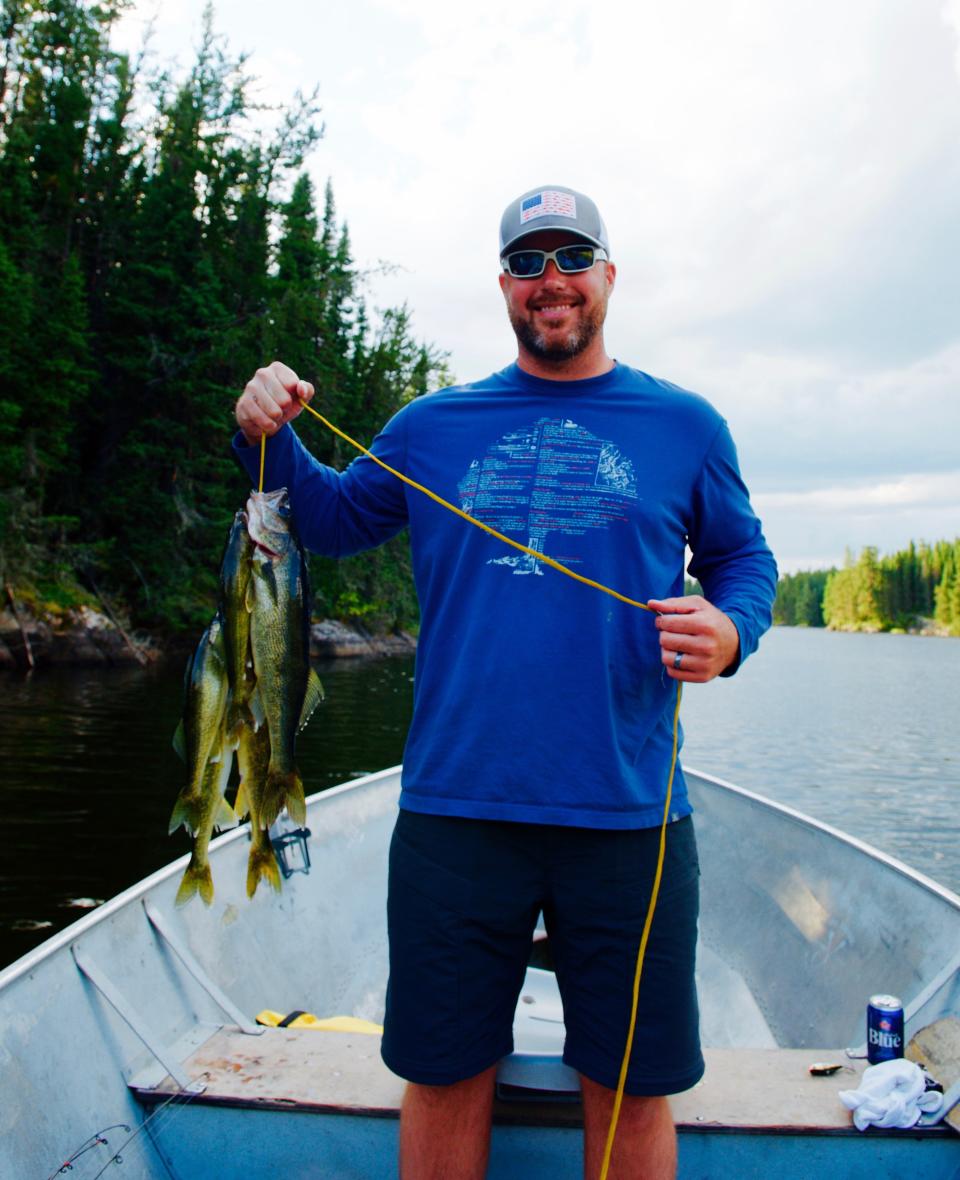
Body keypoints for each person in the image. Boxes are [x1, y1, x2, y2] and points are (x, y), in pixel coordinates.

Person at [233, 184, 778, 1179]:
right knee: (441, 1074)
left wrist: (731, 628)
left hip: (631, 817)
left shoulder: (686, 426)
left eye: (571, 258)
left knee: (631, 1086)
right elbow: (332, 519)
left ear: (608, 275)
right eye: (528, 263)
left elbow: (744, 559)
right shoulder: (437, 424)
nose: (551, 281)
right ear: (504, 286)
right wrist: (269, 431)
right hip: (456, 811)